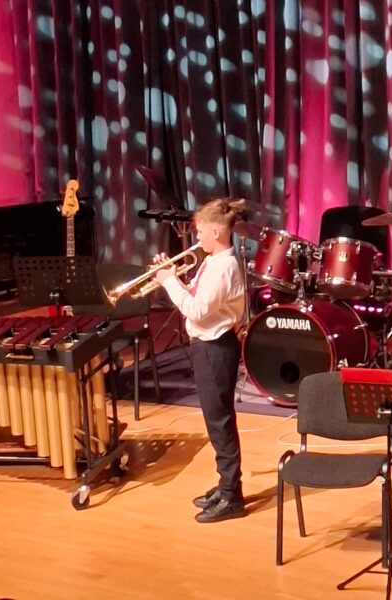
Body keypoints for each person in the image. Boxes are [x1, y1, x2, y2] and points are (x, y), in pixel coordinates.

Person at [153, 198, 246, 523]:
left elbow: (195, 310)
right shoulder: (214, 262)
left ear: (217, 232)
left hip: (215, 348)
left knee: (220, 423)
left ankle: (232, 496)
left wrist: (168, 282)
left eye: (201, 231)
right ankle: (226, 486)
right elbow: (195, 295)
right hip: (208, 347)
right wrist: (173, 277)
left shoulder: (224, 267)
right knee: (216, 421)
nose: (197, 238)